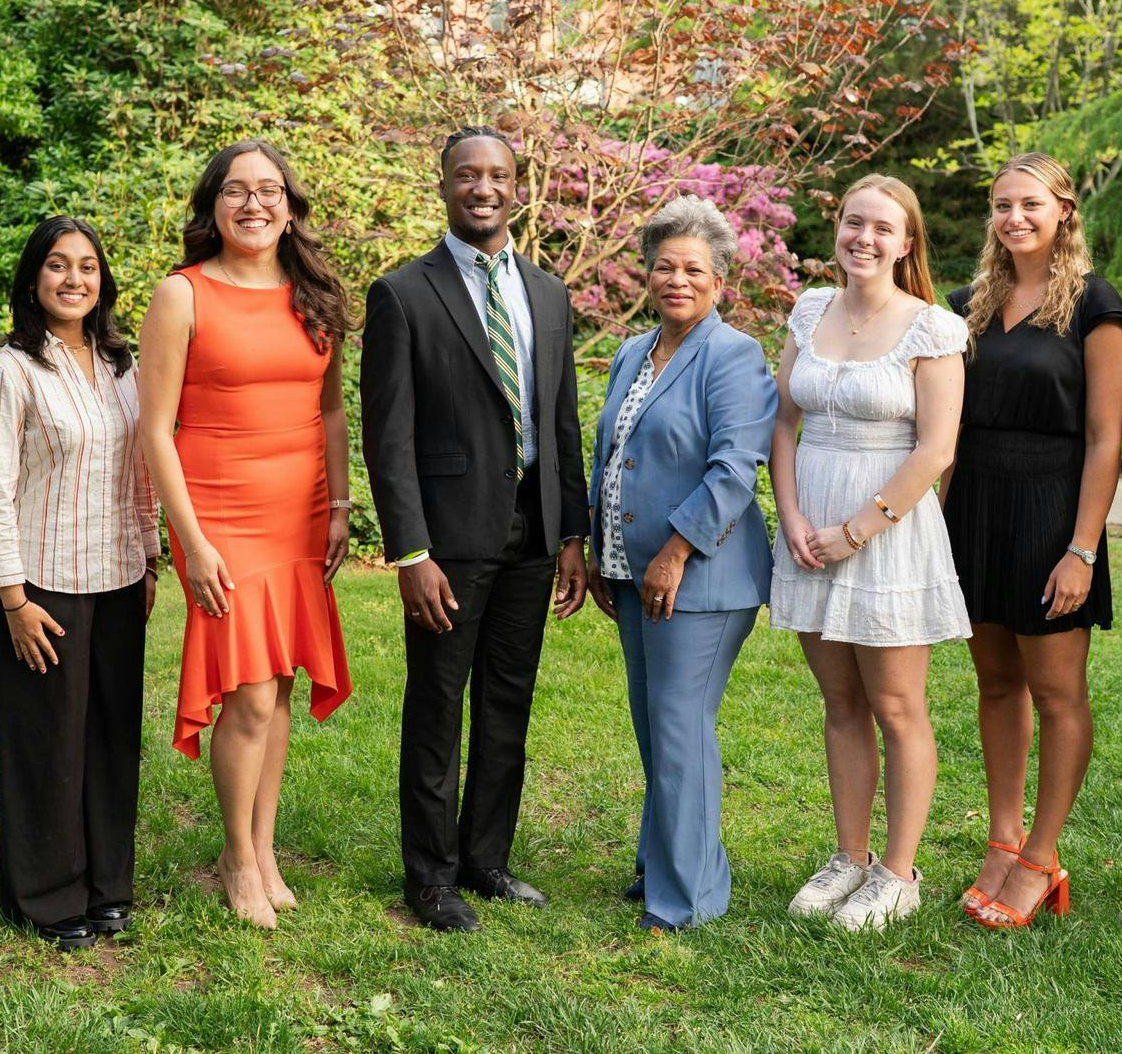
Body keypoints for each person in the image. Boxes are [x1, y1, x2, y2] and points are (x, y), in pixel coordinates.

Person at [362, 125, 590, 932]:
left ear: (516, 187)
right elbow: (387, 437)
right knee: (437, 705)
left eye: (496, 175)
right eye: (467, 175)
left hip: (533, 531)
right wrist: (411, 550)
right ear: (444, 185)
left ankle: (486, 858)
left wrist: (572, 533)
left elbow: (561, 421)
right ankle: (430, 876)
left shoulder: (549, 294)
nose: (482, 188)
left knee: (507, 701)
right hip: (448, 539)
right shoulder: (403, 294)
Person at [139, 140, 354, 930]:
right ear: (213, 206)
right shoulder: (181, 295)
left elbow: (331, 408)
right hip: (222, 516)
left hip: (300, 513)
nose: (254, 203)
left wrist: (340, 504)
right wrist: (191, 540)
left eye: (269, 190)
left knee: (281, 684)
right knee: (250, 693)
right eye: (236, 190)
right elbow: (155, 430)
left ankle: (264, 851)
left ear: (290, 208)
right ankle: (234, 855)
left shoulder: (316, 294)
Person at [942, 155, 1122, 928]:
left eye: (1030, 203)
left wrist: (1082, 549)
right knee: (995, 682)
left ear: (1064, 210)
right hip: (974, 509)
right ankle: (1003, 839)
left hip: (1050, 513)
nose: (1014, 217)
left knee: (1057, 692)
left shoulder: (1097, 307)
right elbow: (945, 426)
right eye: (1001, 205)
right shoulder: (968, 305)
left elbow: (1104, 439)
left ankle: (1041, 856)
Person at [768, 174, 970, 933]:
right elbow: (782, 423)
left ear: (907, 242)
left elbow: (937, 448)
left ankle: (897, 872)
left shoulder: (932, 328)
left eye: (884, 228)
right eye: (855, 222)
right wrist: (791, 516)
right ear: (838, 229)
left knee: (896, 704)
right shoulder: (810, 309)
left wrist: (856, 529)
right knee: (841, 702)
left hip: (887, 530)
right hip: (809, 530)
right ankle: (849, 857)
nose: (865, 238)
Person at [588, 195, 777, 933]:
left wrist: (674, 552)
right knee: (656, 725)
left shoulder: (733, 355)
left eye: (694, 269)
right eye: (665, 266)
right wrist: (603, 550)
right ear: (647, 273)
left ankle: (689, 898)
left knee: (679, 725)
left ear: (719, 281)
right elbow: (612, 455)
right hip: (633, 571)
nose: (677, 280)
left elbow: (734, 470)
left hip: (701, 576)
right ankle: (662, 861)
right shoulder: (635, 351)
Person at [0, 217, 160, 951]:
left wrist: (149, 558)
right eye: (57, 265)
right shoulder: (11, 371)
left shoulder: (122, 366)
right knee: (47, 745)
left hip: (118, 577)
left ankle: (107, 886)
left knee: (111, 740)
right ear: (33, 280)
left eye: (87, 266)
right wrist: (12, 600)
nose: (74, 278)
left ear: (102, 280)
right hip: (40, 586)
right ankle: (45, 897)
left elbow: (140, 472)